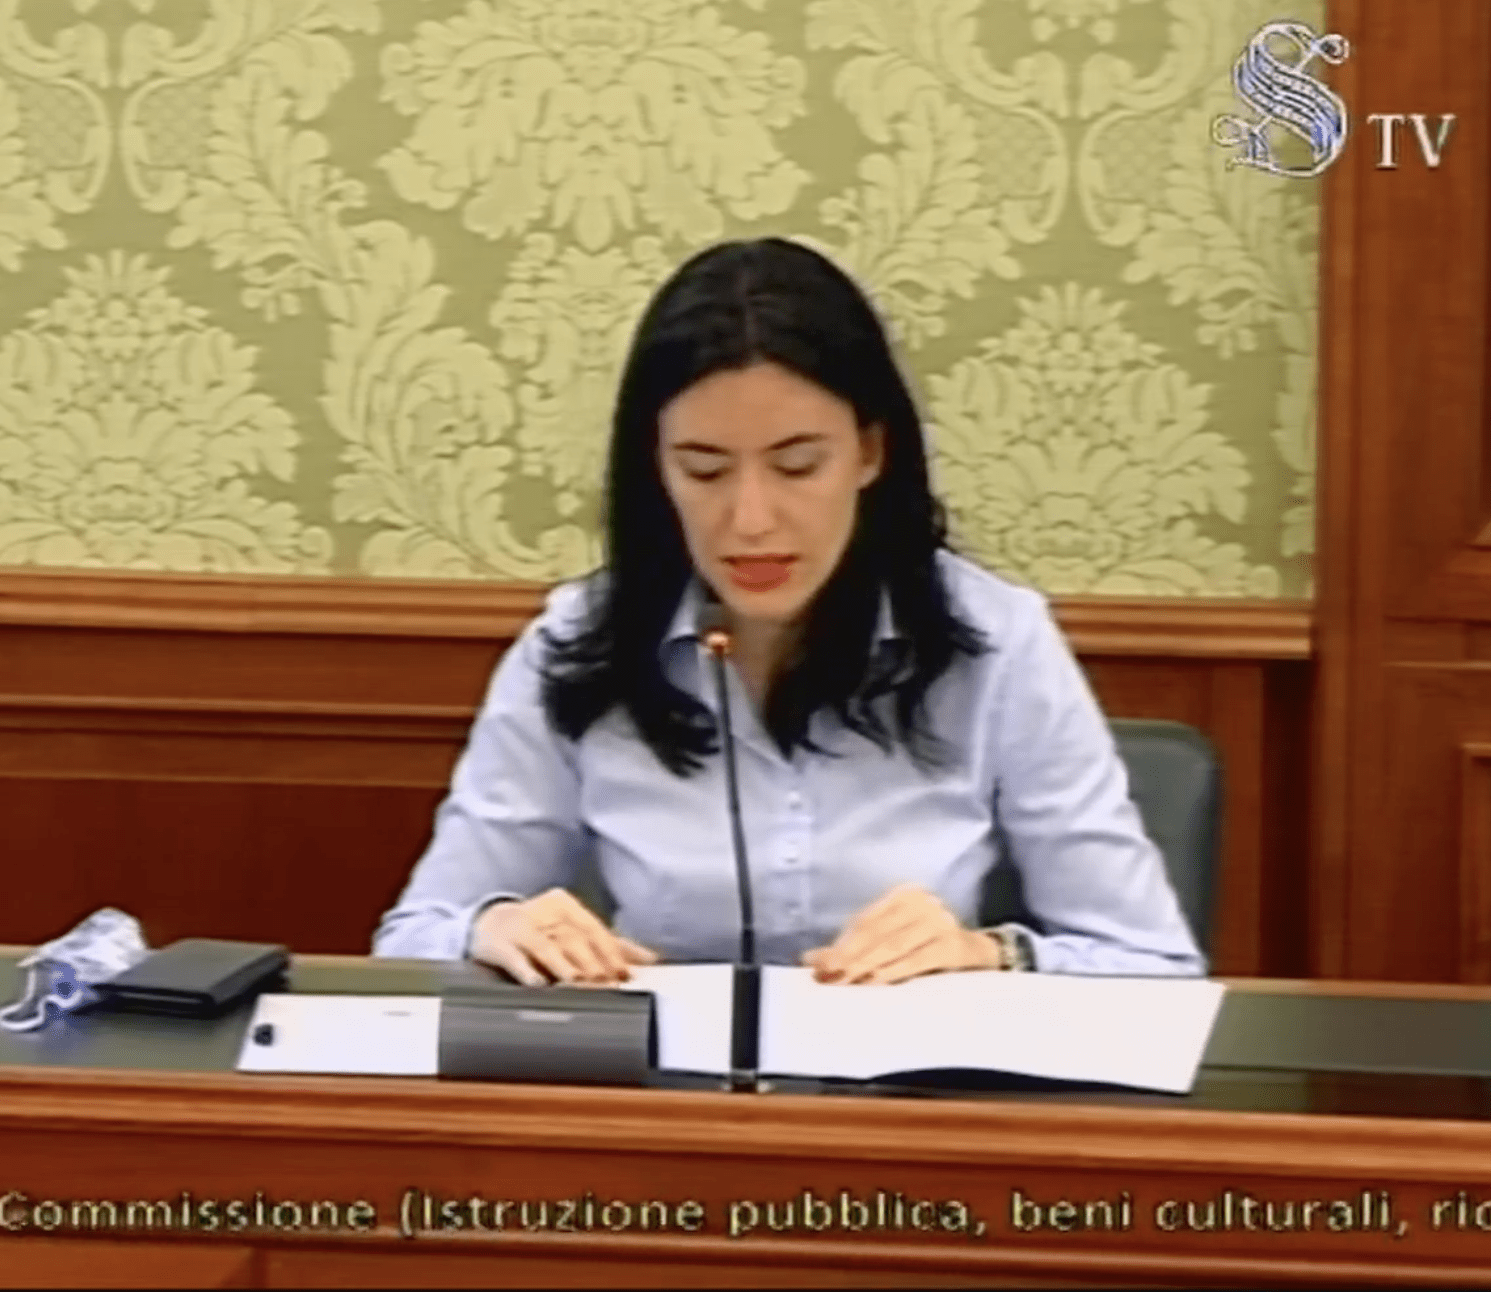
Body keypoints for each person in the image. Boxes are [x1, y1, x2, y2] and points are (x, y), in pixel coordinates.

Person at [373, 238, 1204, 987]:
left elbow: (1155, 965)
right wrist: (491, 927)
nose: (751, 520)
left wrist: (989, 953)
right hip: (655, 1096)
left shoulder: (998, 644)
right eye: (704, 470)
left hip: (907, 1096)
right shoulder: (577, 641)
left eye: (798, 465)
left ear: (870, 453)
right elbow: (412, 939)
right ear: (656, 468)